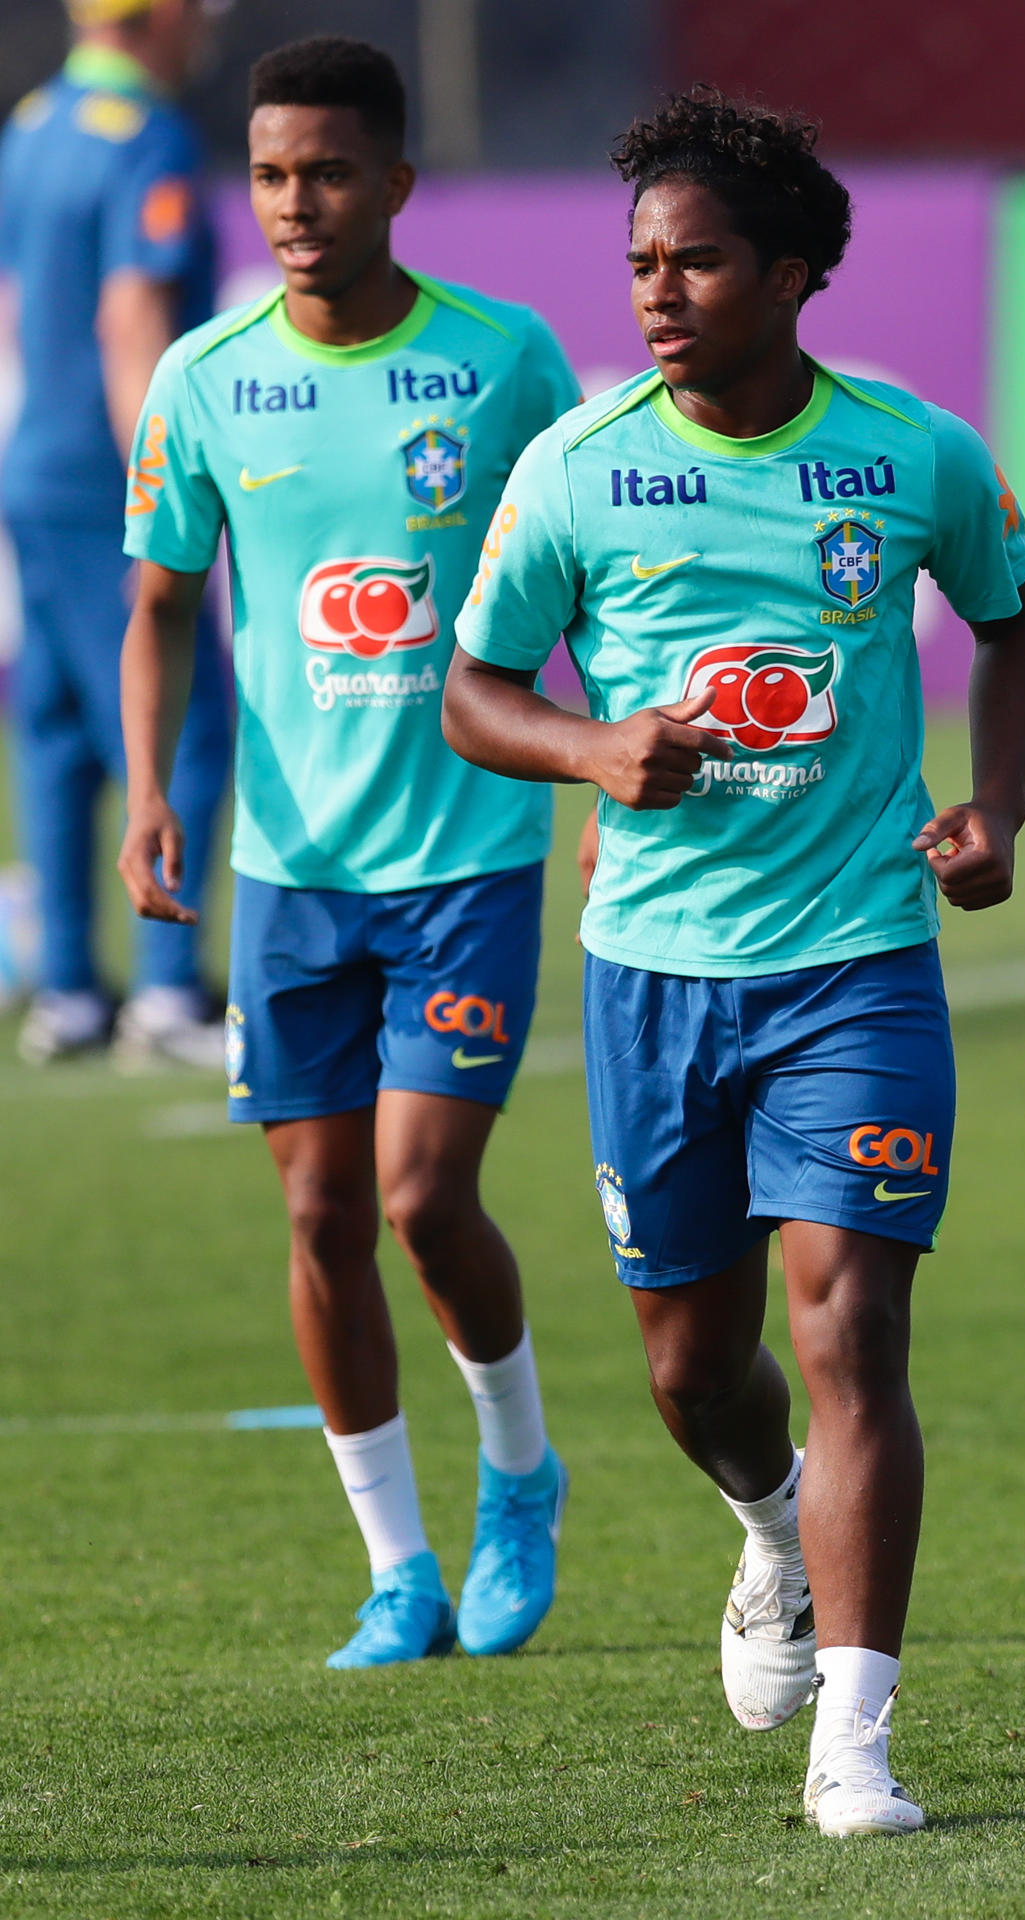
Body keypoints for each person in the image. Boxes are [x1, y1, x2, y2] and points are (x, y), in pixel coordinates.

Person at [444, 87, 1025, 1834]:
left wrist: (993, 806)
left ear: (792, 273)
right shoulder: (576, 465)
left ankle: (855, 1747)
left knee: (854, 1322)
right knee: (690, 1372)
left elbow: (1015, 624)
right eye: (640, 260)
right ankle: (771, 1526)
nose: (655, 290)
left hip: (859, 955)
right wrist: (589, 750)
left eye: (695, 259)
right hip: (652, 973)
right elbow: (471, 689)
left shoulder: (912, 453)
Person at [116, 37, 579, 1666]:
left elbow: (592, 581)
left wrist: (603, 774)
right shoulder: (204, 377)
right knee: (318, 1218)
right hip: (291, 872)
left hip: (467, 851)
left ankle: (520, 1475)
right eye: (268, 173)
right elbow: (164, 603)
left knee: (420, 1198)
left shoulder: (505, 360)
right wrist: (155, 793)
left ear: (393, 180)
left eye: (325, 171)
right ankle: (399, 1568)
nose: (294, 203)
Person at [0, 0, 231, 1066]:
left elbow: (15, 303)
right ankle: (169, 991)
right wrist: (160, 490)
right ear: (159, 16)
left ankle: (72, 993)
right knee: (179, 715)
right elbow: (133, 314)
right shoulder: (147, 136)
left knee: (52, 724)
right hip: (106, 472)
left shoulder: (34, 122)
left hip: (36, 458)